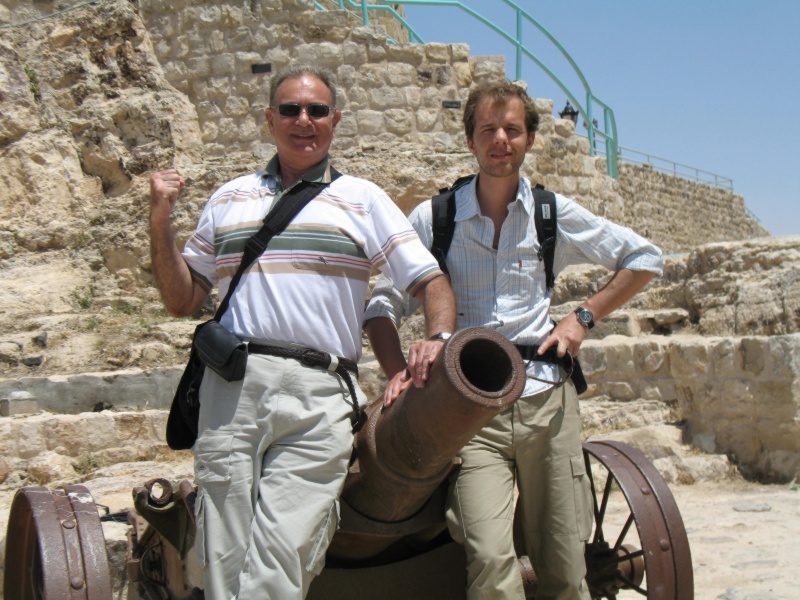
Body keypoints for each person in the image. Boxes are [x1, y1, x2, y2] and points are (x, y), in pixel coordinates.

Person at [148, 65, 455, 600]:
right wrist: (159, 223)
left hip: (320, 396)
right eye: (290, 110)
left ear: (335, 120)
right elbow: (182, 299)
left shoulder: (363, 199)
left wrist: (439, 336)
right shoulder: (229, 198)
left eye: (316, 110)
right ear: (270, 120)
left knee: (283, 555)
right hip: (234, 386)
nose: (303, 120)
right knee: (223, 554)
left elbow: (429, 279)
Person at [364, 80, 664, 600]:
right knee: (486, 555)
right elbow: (381, 305)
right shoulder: (435, 219)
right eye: (488, 130)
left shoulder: (551, 214)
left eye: (512, 129)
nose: (500, 139)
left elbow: (644, 258)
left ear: (528, 139)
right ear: (470, 141)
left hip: (546, 400)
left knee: (565, 562)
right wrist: (396, 371)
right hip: (468, 413)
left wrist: (581, 320)